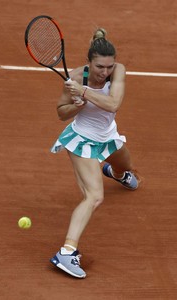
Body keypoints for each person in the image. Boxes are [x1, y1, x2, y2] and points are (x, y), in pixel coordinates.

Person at [49, 28, 139, 279]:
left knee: (128, 166)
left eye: (109, 66)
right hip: (82, 141)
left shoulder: (117, 71)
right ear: (89, 62)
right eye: (100, 67)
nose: (105, 72)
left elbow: (113, 104)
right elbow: (61, 113)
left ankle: (115, 172)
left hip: (108, 136)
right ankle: (66, 252)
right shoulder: (76, 76)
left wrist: (84, 93)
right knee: (94, 197)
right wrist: (76, 105)